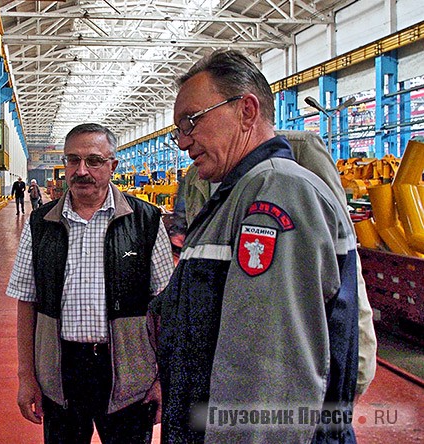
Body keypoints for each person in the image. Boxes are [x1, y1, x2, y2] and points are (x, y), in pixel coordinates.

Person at [150, 50, 360, 443]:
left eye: (191, 122)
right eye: (177, 130)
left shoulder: (276, 192)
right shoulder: (238, 195)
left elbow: (268, 372)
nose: (182, 142)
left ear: (247, 110)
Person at [7, 123, 175, 444]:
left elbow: (165, 306)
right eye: (73, 160)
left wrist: (162, 378)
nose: (82, 170)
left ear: (113, 165)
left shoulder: (146, 221)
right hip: (60, 375)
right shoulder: (41, 223)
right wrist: (27, 376)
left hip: (128, 376)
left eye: (94, 161)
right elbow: (26, 301)